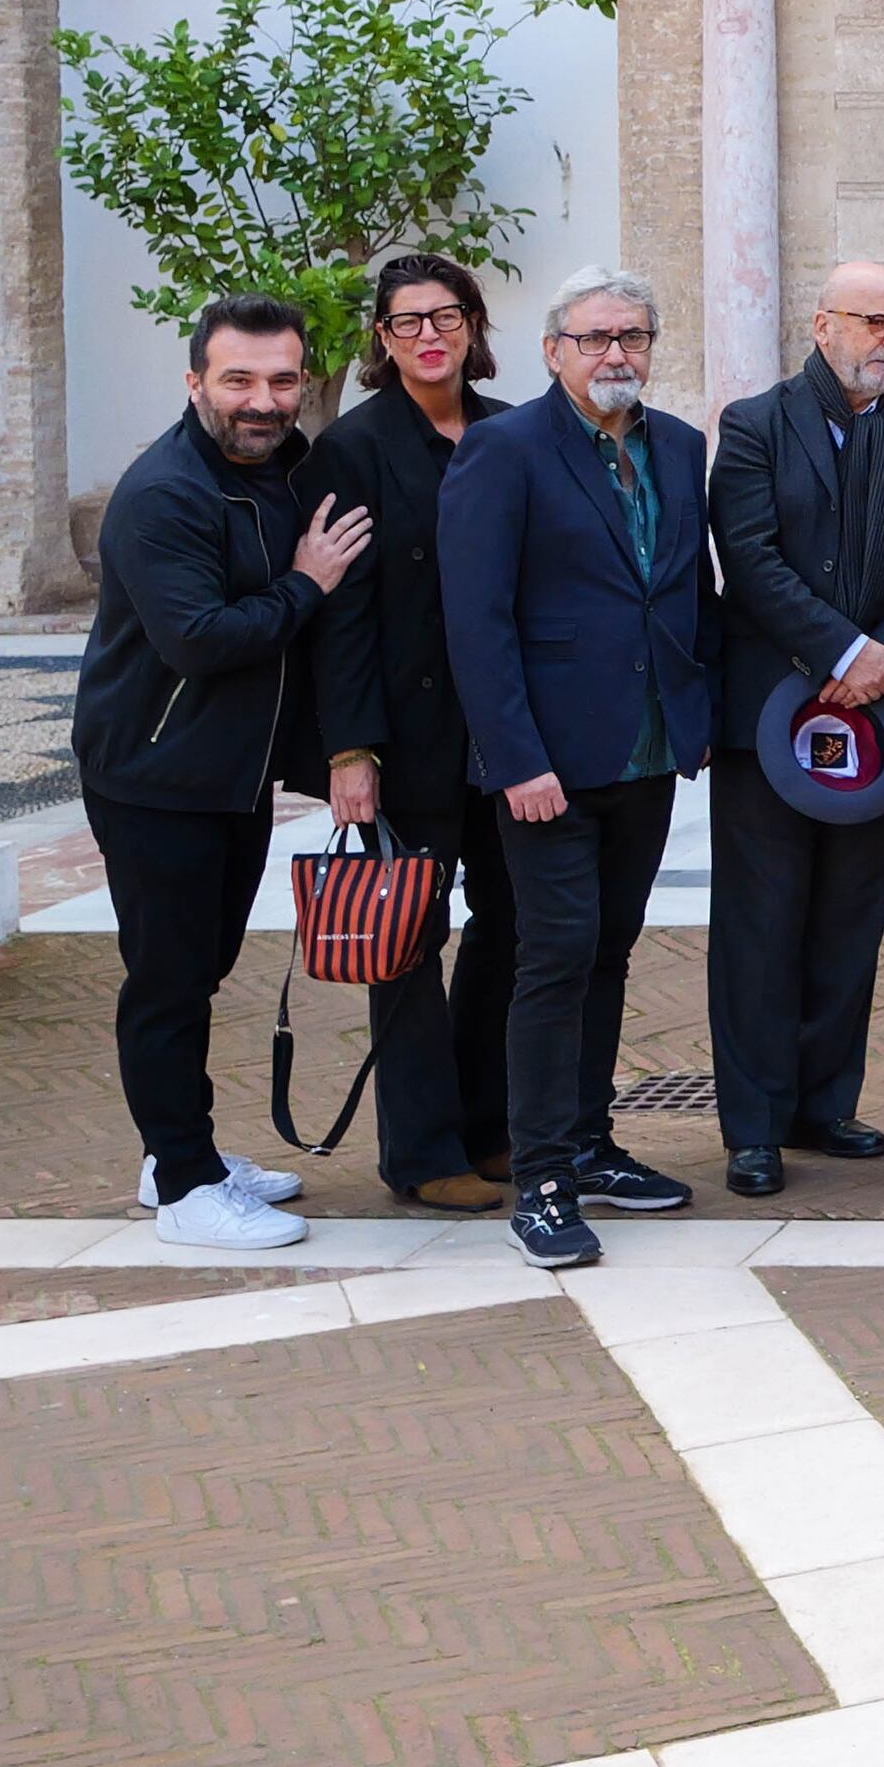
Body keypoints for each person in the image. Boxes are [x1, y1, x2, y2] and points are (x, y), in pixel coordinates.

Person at [439, 267, 717, 1271]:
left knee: (608, 952)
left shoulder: (678, 448)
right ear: (554, 349)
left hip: (644, 751)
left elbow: (686, 595)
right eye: (596, 336)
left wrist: (700, 718)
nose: (617, 354)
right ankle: (542, 1176)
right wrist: (515, 758)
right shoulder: (502, 451)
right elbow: (476, 621)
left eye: (633, 335)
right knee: (553, 959)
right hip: (546, 766)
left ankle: (593, 1142)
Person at [78, 295, 370, 1250]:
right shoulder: (165, 492)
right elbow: (199, 641)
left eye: (283, 380)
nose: (263, 399)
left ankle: (179, 1156)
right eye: (239, 379)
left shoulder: (288, 469)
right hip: (155, 775)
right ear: (195, 381)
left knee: (199, 973)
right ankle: (183, 1185)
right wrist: (307, 583)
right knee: (165, 983)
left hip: (230, 778)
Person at [701, 262, 884, 1198]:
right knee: (761, 923)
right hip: (771, 716)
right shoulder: (754, 426)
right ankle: (756, 1126)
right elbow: (751, 558)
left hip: (881, 717)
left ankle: (825, 1103)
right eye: (874, 320)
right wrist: (843, 652)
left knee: (851, 916)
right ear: (822, 325)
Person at [314, 258, 514, 1214]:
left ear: (474, 326)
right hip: (412, 733)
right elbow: (340, 611)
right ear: (382, 340)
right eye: (407, 322)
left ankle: (491, 1129)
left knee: (514, 929)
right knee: (406, 943)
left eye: (446, 317)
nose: (429, 336)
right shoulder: (353, 448)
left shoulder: (515, 428)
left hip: (509, 733)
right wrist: (351, 750)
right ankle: (424, 1154)